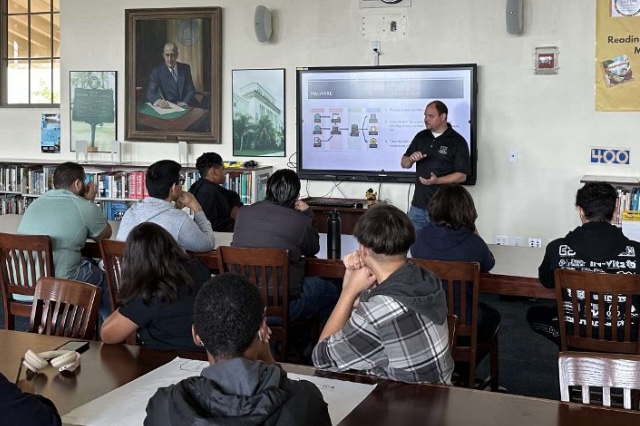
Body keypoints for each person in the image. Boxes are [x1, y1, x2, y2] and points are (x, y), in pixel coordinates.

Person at [144, 273, 332, 426]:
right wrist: (268, 357)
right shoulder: (305, 401)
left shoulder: (164, 407)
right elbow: (281, 389)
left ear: (196, 334)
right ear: (262, 329)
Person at [312, 203, 454, 384]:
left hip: (403, 405)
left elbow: (322, 359)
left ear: (363, 249)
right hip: (441, 395)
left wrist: (348, 292)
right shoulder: (426, 278)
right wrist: (355, 282)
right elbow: (372, 310)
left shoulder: (378, 310)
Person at [527, 182, 640, 344]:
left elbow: (547, 282)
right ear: (616, 212)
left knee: (534, 314)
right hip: (628, 337)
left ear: (580, 211)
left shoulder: (556, 248)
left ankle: (571, 352)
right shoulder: (637, 252)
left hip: (573, 332)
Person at [232, 169, 339, 324]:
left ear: (268, 189)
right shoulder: (300, 221)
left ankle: (286, 342)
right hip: (286, 305)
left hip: (244, 305)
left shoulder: (244, 213)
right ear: (295, 196)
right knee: (333, 292)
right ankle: (315, 345)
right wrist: (308, 212)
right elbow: (313, 249)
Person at [18, 161, 112, 319]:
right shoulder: (83, 206)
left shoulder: (35, 203)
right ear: (78, 183)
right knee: (105, 278)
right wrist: (89, 201)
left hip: (22, 286)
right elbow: (105, 235)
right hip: (55, 289)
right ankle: (111, 331)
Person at [411, 183, 500, 342]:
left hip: (426, 319)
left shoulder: (418, 238)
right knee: (493, 315)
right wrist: (473, 229)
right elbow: (489, 264)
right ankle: (470, 358)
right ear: (467, 210)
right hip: (464, 319)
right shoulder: (474, 244)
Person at [101, 222, 211, 350]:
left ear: (134, 260)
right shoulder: (198, 267)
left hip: (166, 360)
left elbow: (107, 334)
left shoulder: (151, 291)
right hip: (207, 354)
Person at [401, 100, 471, 232]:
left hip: (443, 209)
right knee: (413, 247)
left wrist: (437, 181)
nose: (426, 119)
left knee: (440, 248)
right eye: (425, 116)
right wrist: (410, 159)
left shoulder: (457, 141)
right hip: (418, 208)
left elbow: (461, 176)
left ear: (443, 117)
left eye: (430, 116)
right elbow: (404, 163)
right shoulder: (421, 136)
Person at [117, 160, 215, 253]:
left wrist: (174, 209)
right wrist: (196, 207)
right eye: (181, 181)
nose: (181, 185)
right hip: (160, 271)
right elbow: (208, 244)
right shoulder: (179, 219)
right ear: (173, 187)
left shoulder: (130, 212)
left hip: (127, 270)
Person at [189, 152, 243, 232]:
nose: (224, 173)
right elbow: (212, 225)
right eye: (223, 169)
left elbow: (233, 195)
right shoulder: (207, 191)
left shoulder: (212, 187)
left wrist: (236, 206)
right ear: (214, 172)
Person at [146, 42, 198, 108]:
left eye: (172, 55)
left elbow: (191, 90)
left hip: (188, 104)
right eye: (167, 55)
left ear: (177, 55)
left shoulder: (185, 68)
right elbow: (150, 93)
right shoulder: (157, 72)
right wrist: (158, 102)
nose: (170, 59)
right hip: (171, 107)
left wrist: (185, 102)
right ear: (163, 56)